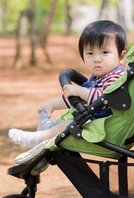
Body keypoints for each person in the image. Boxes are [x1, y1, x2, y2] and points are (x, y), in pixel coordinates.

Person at [9, 20, 127, 162]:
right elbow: (77, 98)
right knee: (61, 123)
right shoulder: (97, 78)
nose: (96, 59)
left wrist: (79, 91)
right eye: (90, 53)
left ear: (121, 56)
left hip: (105, 127)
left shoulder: (117, 76)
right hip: (89, 121)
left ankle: (37, 139)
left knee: (69, 125)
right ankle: (41, 149)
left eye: (105, 52)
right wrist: (52, 105)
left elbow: (105, 99)